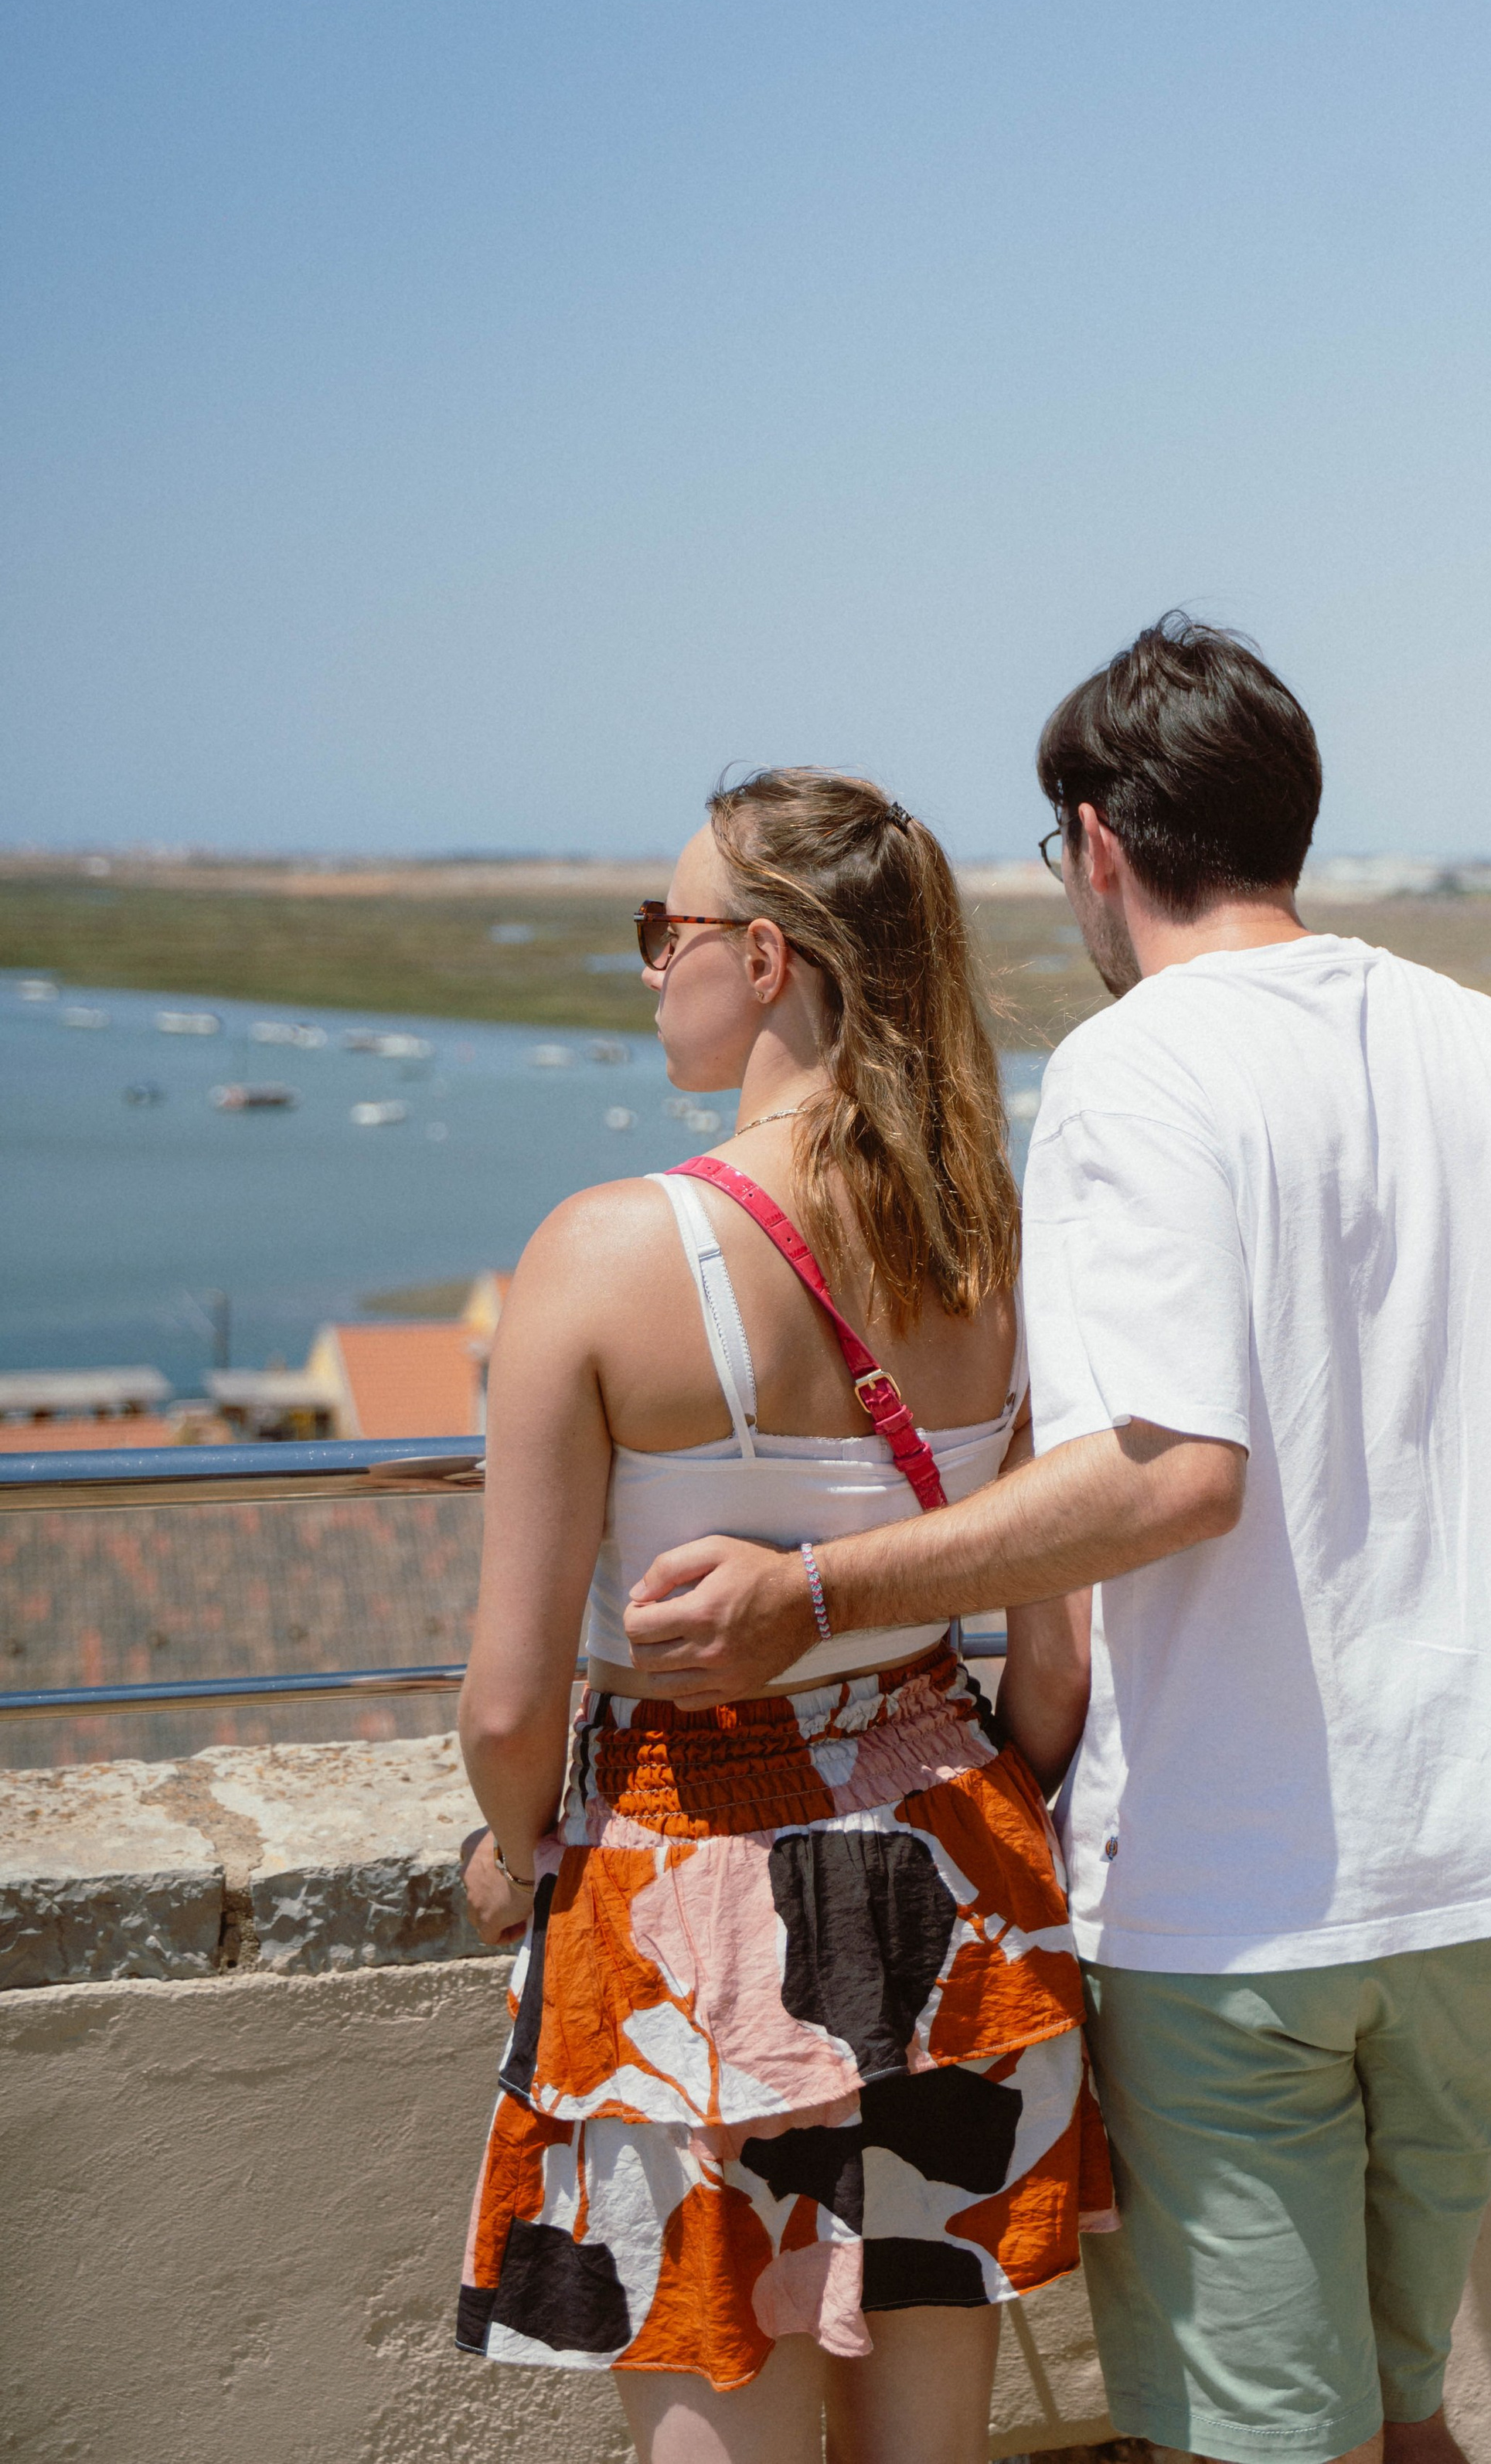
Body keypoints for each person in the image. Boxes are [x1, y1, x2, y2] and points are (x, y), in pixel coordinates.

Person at [621, 618, 1491, 2464]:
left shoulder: (1136, 1065)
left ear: (1094, 842)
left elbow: (1163, 1480)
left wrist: (812, 1591)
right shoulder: (1486, 1036)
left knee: (1262, 2436)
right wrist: (1447, 1418)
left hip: (1242, 1883)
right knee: (1397, 2409)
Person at [453, 767, 1111, 2464]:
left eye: (659, 929)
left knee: (716, 2405)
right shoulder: (989, 1243)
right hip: (959, 1868)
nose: (646, 965)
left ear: (762, 960)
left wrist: (511, 1848)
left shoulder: (606, 1250)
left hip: (687, 1884)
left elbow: (511, 1701)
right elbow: (1052, 1656)